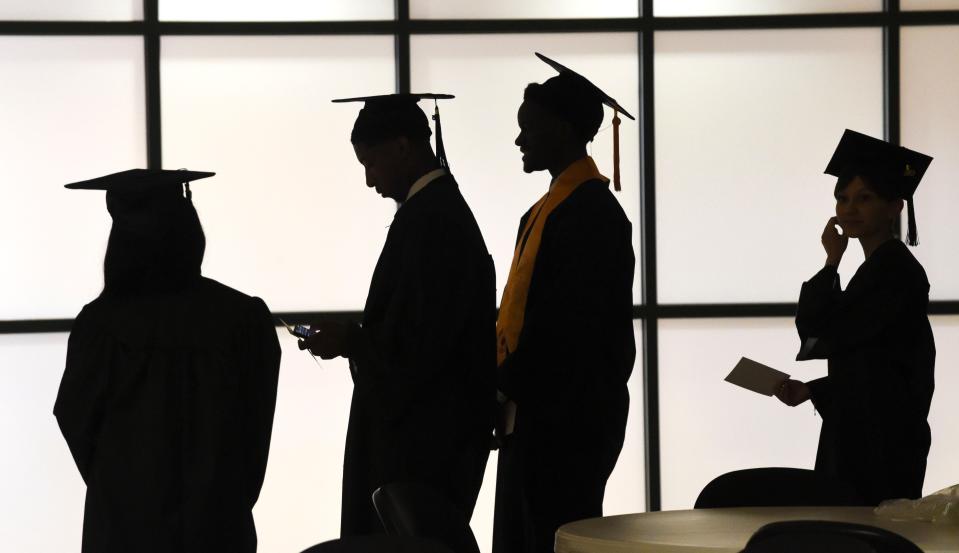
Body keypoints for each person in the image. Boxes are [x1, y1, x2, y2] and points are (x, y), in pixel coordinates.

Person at [54, 169, 281, 553]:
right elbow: (255, 423)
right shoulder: (243, 317)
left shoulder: (100, 323)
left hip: (124, 522)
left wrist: (121, 480)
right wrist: (224, 489)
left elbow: (77, 419)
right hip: (218, 519)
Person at [301, 93, 496, 536]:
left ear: (403, 147)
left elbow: (423, 344)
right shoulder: (432, 212)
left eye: (371, 163)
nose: (371, 181)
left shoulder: (436, 221)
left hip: (424, 441)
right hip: (426, 430)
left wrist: (351, 340)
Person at [493, 54, 636, 553]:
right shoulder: (546, 209)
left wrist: (506, 381)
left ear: (562, 128)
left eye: (528, 128)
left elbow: (570, 329)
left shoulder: (594, 214)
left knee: (551, 535)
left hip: (567, 419)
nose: (519, 140)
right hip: (532, 410)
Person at [776, 129, 936, 505]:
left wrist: (832, 261)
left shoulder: (895, 272)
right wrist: (813, 390)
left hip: (881, 440)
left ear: (895, 207)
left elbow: (824, 331)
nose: (849, 209)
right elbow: (871, 362)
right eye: (843, 198)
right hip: (863, 428)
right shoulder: (877, 268)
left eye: (864, 198)